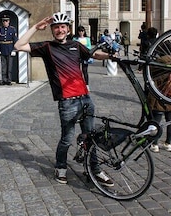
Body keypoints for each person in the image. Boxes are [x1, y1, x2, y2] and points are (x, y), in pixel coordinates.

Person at [14, 12, 114, 186]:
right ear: (52, 30)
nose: (59, 30)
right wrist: (36, 27)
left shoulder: (76, 45)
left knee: (91, 137)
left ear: (68, 29)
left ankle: (94, 169)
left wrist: (111, 56)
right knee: (67, 139)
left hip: (85, 99)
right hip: (67, 102)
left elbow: (93, 55)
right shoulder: (47, 47)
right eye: (56, 27)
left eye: (62, 27)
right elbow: (18, 45)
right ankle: (60, 167)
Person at [147, 40, 171, 152]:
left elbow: (151, 73)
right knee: (170, 120)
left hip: (161, 94)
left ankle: (155, 144)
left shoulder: (161, 60)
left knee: (156, 120)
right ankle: (168, 143)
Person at [0, 15, 18, 85]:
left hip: (10, 49)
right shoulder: (0, 29)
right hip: (2, 49)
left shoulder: (12, 29)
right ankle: (3, 79)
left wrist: (14, 50)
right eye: (3, 21)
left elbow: (15, 40)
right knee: (3, 66)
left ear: (9, 21)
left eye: (6, 21)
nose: (5, 22)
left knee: (9, 67)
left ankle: (9, 80)